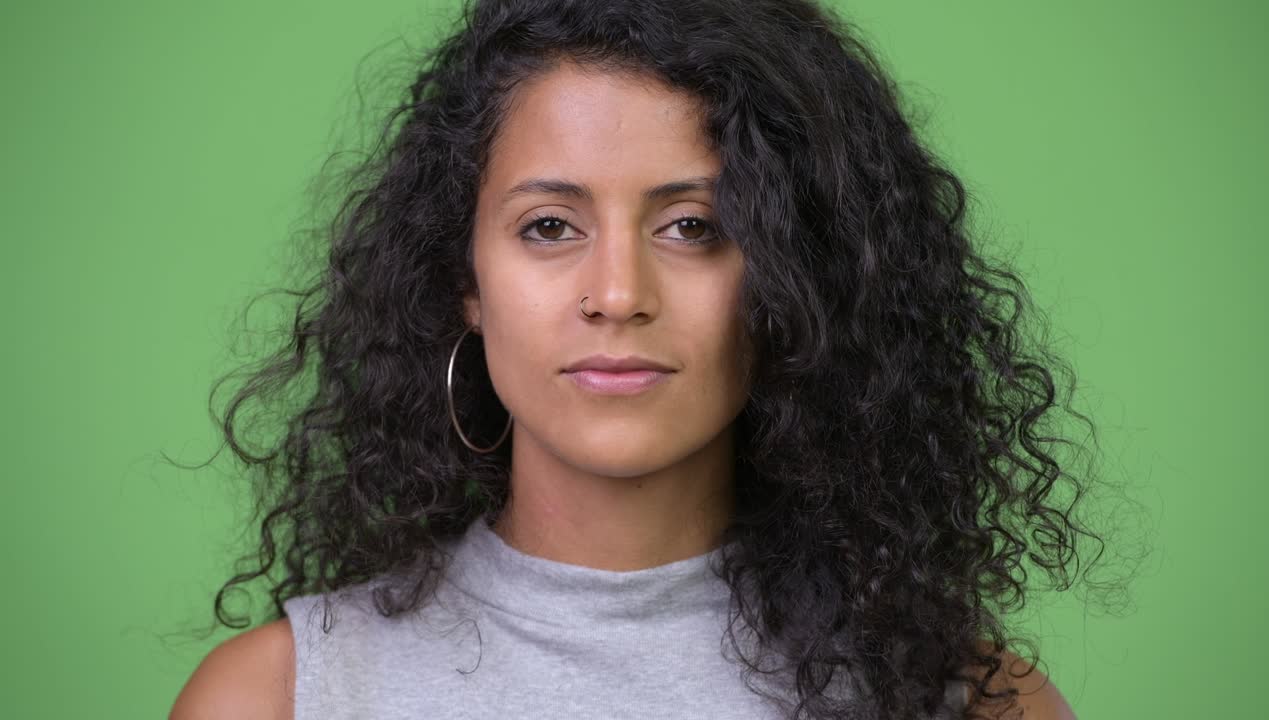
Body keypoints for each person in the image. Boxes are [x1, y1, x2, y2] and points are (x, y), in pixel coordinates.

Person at [170, 0, 1097, 717]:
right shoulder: (277, 698)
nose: (618, 293)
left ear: (792, 276)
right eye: (548, 226)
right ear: (467, 278)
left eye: (695, 226)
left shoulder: (970, 701)